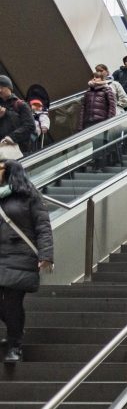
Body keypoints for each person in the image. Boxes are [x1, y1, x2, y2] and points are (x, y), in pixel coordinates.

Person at [0, 159, 54, 364]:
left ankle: (15, 346)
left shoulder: (29, 195)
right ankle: (16, 329)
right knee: (4, 306)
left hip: (21, 256)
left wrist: (46, 255)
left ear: (10, 171)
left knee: (12, 303)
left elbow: (43, 227)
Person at [79, 70, 118, 169]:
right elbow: (83, 107)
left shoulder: (107, 90)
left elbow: (112, 106)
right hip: (89, 121)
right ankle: (96, 163)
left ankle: (101, 164)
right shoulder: (88, 91)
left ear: (102, 79)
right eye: (93, 77)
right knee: (94, 143)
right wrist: (80, 124)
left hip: (101, 121)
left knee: (100, 143)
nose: (94, 79)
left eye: (96, 77)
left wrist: (109, 121)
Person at [0, 77, 36, 155]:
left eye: (1, 87)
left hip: (22, 150)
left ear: (9, 87)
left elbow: (30, 126)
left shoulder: (21, 104)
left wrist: (12, 137)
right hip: (4, 151)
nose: (0, 90)